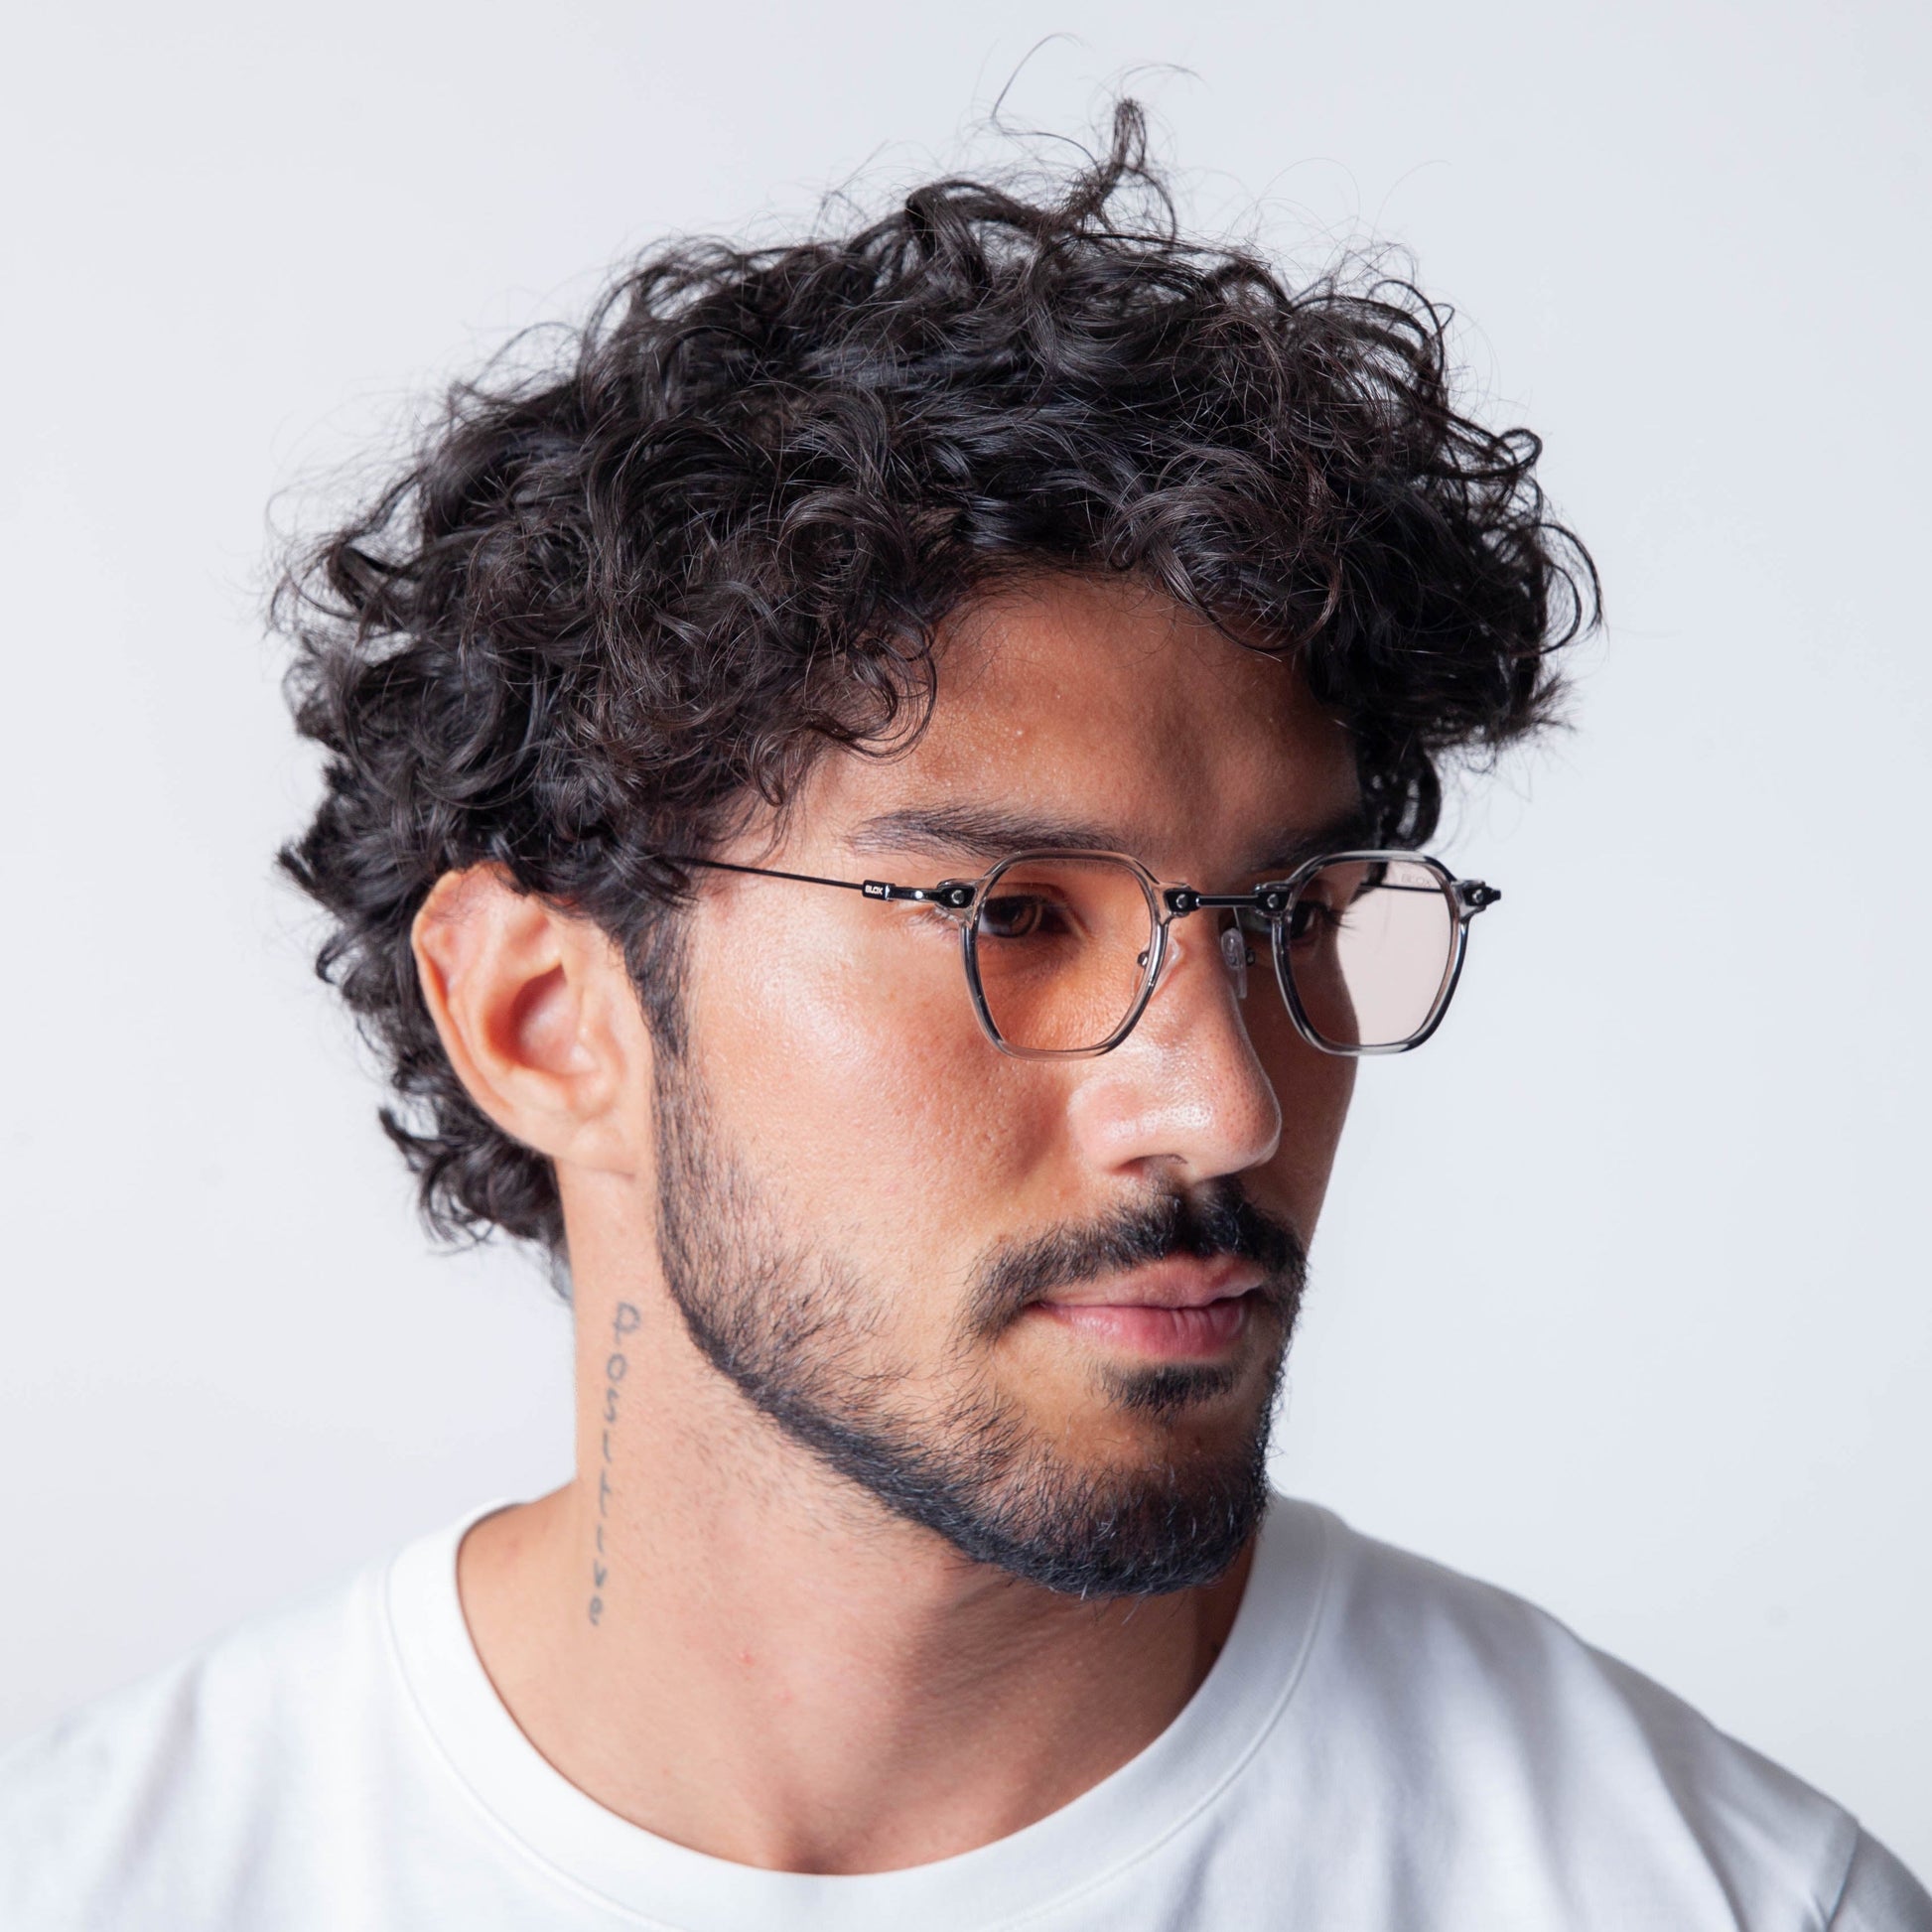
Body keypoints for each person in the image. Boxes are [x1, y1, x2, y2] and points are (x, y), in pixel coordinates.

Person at [2, 105, 1924, 1931]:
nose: (1225, 1103)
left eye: (1285, 920)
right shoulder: (110, 1882)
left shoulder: (1694, 1890)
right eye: (1010, 917)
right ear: (543, 1017)